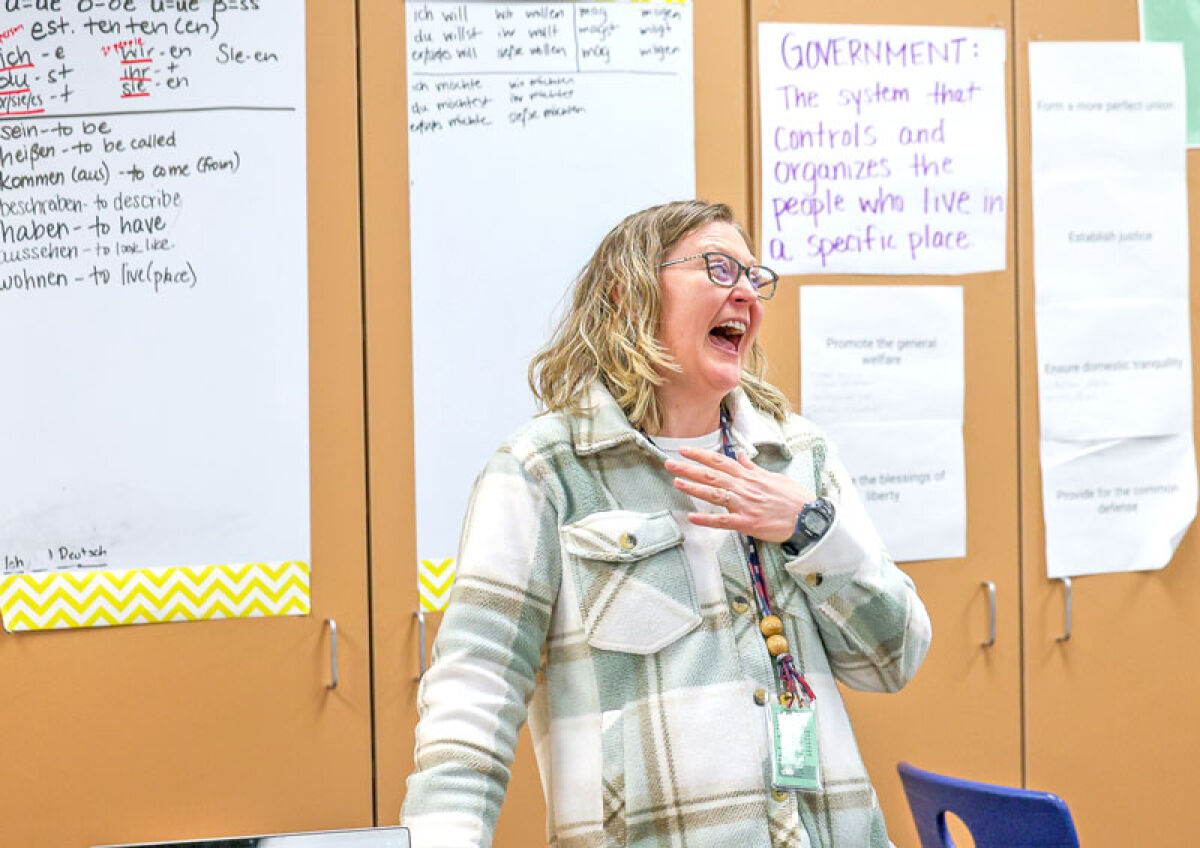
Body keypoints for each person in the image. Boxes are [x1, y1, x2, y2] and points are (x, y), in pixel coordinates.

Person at [402, 200, 931, 847]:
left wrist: (807, 526)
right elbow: (476, 687)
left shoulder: (798, 456)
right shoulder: (544, 470)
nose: (746, 293)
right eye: (717, 268)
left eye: (754, 277)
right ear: (629, 296)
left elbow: (893, 658)